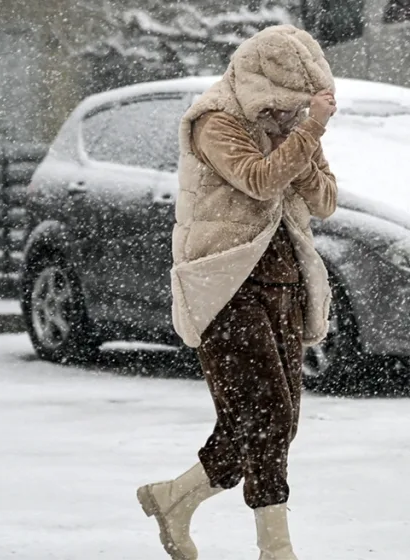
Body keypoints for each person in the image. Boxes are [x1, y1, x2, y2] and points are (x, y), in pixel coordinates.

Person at [136, 25, 338, 560]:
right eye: (279, 106)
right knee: (267, 412)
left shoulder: (292, 130)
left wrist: (305, 141)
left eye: (293, 108)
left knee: (268, 419)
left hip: (282, 283)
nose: (284, 116)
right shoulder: (214, 122)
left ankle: (176, 498)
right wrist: (306, 132)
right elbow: (258, 179)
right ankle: (276, 548)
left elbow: (325, 201)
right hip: (222, 284)